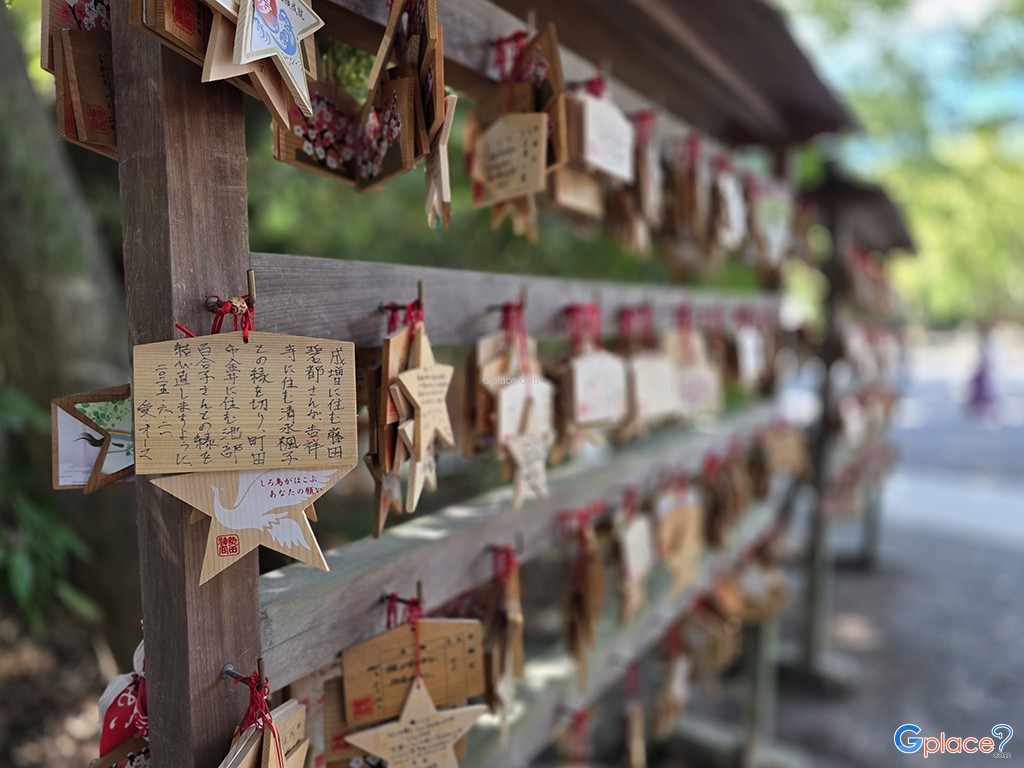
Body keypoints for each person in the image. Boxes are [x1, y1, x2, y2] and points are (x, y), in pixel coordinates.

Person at [966, 324, 998, 416]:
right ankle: (981, 406)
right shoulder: (984, 342)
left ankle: (984, 405)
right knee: (982, 388)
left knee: (986, 388)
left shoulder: (988, 343)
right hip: (983, 368)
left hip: (984, 368)